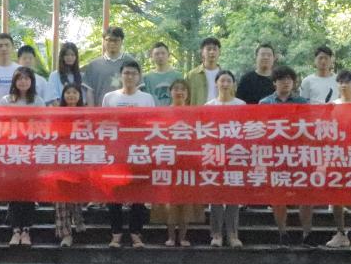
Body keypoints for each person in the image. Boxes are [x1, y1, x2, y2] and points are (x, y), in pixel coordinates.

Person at [260, 65, 315, 248]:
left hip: (299, 154)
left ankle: (307, 234)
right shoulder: (265, 103)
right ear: (274, 82)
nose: (286, 82)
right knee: (278, 196)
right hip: (275, 155)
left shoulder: (302, 102)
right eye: (282, 79)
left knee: (305, 196)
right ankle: (282, 233)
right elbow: (261, 130)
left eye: (289, 80)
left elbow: (309, 128)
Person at [102, 60, 155, 247]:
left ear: (139, 76)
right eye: (126, 73)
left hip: (139, 151)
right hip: (116, 152)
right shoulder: (109, 97)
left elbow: (152, 125)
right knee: (114, 193)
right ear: (120, 76)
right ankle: (116, 233)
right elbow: (104, 124)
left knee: (139, 193)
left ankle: (136, 233)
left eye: (133, 73)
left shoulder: (147, 99)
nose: (130, 76)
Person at [151, 79, 205, 246]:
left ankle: (183, 236)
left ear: (188, 93)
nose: (179, 92)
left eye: (183, 89)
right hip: (168, 160)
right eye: (176, 89)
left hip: (188, 162)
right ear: (170, 92)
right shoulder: (162, 112)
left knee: (186, 200)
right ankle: (170, 236)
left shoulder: (194, 113)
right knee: (170, 200)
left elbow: (199, 136)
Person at [0, 66, 46, 246]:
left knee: (28, 191)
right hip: (12, 152)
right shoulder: (6, 101)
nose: (23, 82)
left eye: (27, 78)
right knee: (14, 191)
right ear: (14, 81)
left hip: (32, 153)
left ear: (32, 81)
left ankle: (26, 230)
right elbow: (1, 126)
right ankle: (15, 230)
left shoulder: (38, 101)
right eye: (20, 78)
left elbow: (43, 127)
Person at [325, 70, 351, 252]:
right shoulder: (331, 106)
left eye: (347, 82)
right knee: (336, 197)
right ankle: (340, 233)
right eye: (340, 82)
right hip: (336, 156)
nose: (343, 85)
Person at [205, 69, 245, 247]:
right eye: (222, 81)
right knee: (215, 194)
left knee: (233, 194)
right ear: (216, 83)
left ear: (234, 84)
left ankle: (233, 234)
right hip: (214, 153)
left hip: (235, 153)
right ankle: (216, 234)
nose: (225, 84)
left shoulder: (241, 105)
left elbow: (245, 130)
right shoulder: (209, 106)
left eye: (229, 81)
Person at [53, 83, 88, 247]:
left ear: (80, 96)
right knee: (60, 197)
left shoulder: (87, 114)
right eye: (68, 92)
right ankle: (65, 233)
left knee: (76, 195)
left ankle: (78, 221)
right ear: (63, 95)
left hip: (79, 160)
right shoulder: (56, 114)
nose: (71, 95)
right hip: (60, 159)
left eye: (75, 92)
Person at [83, 26, 127, 106]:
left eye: (116, 40)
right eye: (109, 40)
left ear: (121, 41)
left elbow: (138, 89)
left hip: (125, 110)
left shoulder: (131, 63)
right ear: (103, 41)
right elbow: (89, 91)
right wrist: (92, 111)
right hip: (100, 110)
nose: (112, 43)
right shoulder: (94, 65)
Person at [47, 41, 92, 107]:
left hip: (80, 111)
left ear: (76, 57)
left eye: (72, 55)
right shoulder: (54, 76)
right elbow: (53, 99)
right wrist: (65, 112)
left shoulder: (83, 76)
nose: (70, 57)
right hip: (60, 111)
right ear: (62, 57)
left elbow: (86, 100)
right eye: (67, 55)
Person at [185, 36, 222, 106]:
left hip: (220, 111)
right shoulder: (192, 75)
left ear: (219, 52)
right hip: (198, 112)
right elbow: (186, 100)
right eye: (209, 49)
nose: (212, 52)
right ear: (202, 52)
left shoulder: (225, 76)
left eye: (215, 49)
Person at [142, 41, 181, 106]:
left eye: (163, 53)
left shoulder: (178, 76)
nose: (160, 56)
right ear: (152, 56)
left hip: (174, 111)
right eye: (157, 54)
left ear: (168, 55)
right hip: (152, 111)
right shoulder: (146, 78)